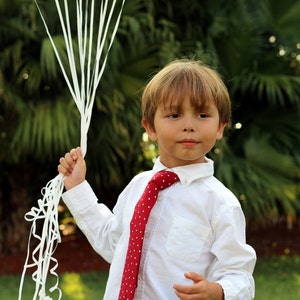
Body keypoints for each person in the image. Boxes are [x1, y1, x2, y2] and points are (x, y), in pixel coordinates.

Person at [58, 59, 256, 300]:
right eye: (174, 114)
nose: (188, 125)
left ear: (220, 127)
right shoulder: (138, 187)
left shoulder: (220, 203)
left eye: (203, 114)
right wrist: (78, 187)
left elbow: (240, 275)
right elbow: (113, 244)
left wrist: (217, 291)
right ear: (150, 128)